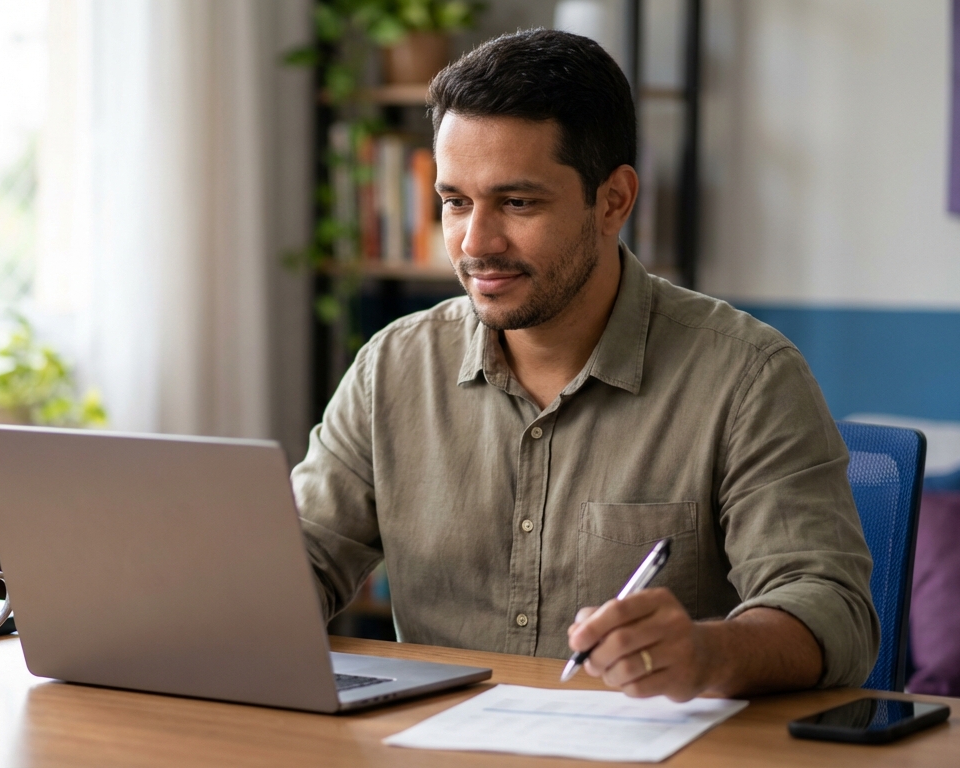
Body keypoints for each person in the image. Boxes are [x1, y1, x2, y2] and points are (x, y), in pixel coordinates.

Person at [291, 29, 878, 702]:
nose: (475, 243)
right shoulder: (392, 367)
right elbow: (300, 560)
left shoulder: (748, 376)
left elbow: (831, 610)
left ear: (614, 201)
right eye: (455, 201)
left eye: (517, 202)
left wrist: (706, 651)